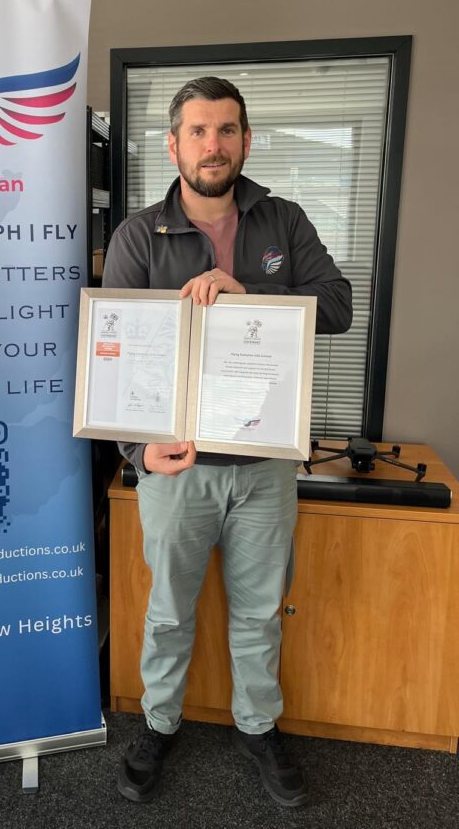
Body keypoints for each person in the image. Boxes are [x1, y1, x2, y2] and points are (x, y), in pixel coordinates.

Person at [102, 77, 352, 808]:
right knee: (168, 613)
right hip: (177, 468)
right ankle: (158, 724)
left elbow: (337, 306)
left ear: (246, 140)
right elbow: (116, 357)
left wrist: (255, 299)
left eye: (227, 130)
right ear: (174, 145)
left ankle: (258, 726)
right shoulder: (138, 236)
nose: (213, 145)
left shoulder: (284, 220)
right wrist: (136, 453)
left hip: (266, 465)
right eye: (199, 131)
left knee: (260, 611)